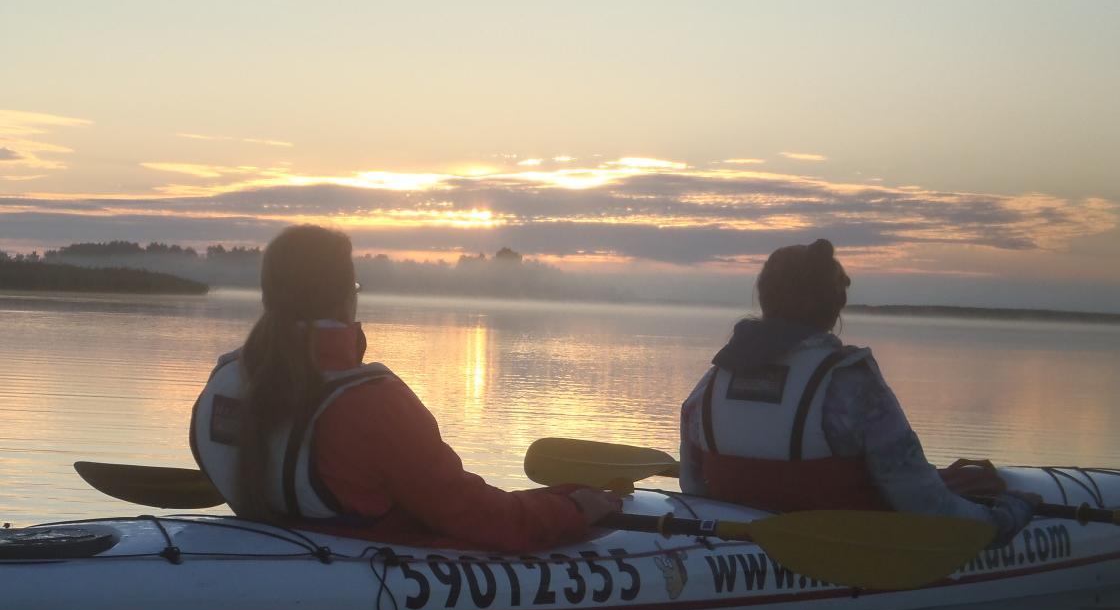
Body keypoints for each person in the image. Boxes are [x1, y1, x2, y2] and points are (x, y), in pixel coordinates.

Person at [191, 225, 619, 552]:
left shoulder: (224, 380)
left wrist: (554, 497)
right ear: (345, 297)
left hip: (271, 556)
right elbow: (482, 518)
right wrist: (576, 510)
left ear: (268, 297)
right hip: (366, 570)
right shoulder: (373, 402)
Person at [679, 239, 1040, 545]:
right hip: (844, 550)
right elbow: (926, 505)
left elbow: (693, 486)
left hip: (742, 542)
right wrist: (1006, 516)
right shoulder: (851, 385)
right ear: (835, 306)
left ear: (764, 299)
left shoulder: (710, 384)